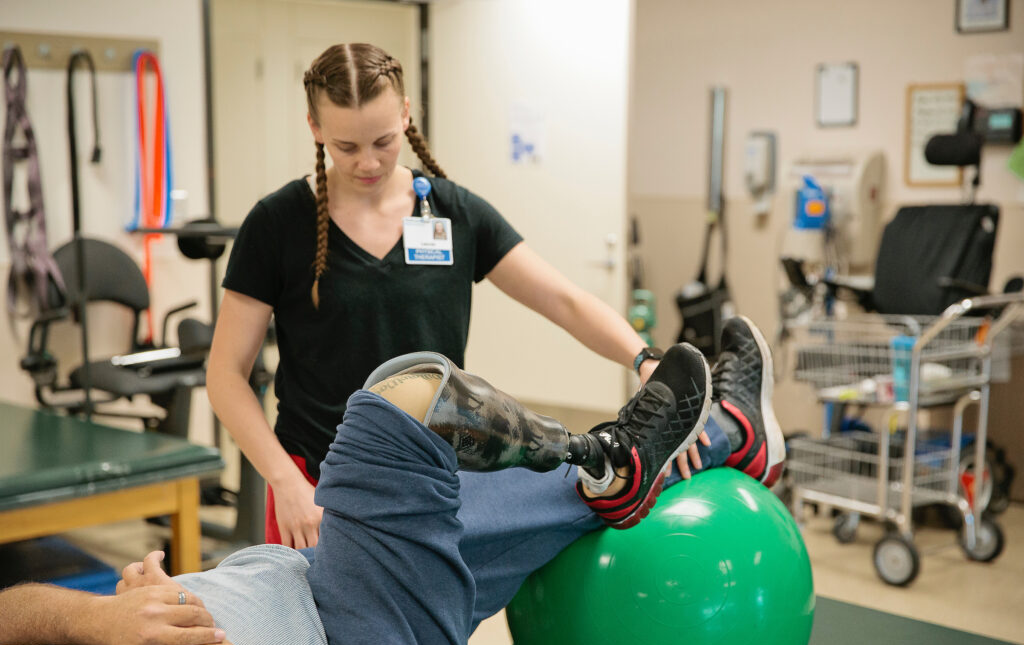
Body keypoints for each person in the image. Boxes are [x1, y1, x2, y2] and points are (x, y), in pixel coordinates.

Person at [0, 317, 785, 645]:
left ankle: (710, 441)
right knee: (399, 403)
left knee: (427, 414)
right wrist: (176, 624)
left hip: (315, 578)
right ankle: (640, 456)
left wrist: (93, 615)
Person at [207, 42, 722, 548]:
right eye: (346, 147)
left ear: (407, 115)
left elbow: (563, 300)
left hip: (435, 472)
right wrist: (285, 482)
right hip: (316, 485)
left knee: (430, 627)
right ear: (315, 128)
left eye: (384, 141)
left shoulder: (453, 214)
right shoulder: (277, 223)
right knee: (324, 632)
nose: (368, 161)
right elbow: (225, 374)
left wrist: (643, 357)